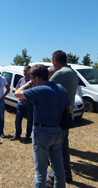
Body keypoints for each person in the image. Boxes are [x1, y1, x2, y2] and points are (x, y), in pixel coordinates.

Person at [15, 64, 70, 188]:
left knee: (40, 171)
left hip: (42, 132)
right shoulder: (61, 88)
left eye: (32, 78)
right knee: (58, 167)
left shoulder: (40, 90)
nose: (31, 81)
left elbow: (17, 93)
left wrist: (28, 83)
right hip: (57, 131)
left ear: (38, 78)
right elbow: (69, 108)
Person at [46, 50, 79, 187]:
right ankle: (68, 174)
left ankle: (52, 178)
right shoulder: (74, 73)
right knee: (64, 147)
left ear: (55, 61)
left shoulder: (60, 73)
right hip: (68, 116)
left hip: (58, 117)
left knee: (56, 148)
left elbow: (46, 89)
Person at [10, 66, 33, 143]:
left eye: (26, 71)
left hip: (29, 105)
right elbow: (17, 88)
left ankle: (27, 136)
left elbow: (36, 90)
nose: (24, 72)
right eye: (23, 71)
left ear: (29, 72)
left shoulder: (32, 81)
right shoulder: (21, 79)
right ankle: (17, 135)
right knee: (18, 120)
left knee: (30, 121)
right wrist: (18, 98)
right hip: (20, 104)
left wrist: (33, 99)